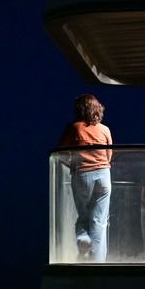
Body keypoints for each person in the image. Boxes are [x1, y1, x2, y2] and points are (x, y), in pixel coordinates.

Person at [58, 94, 113, 261]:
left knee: (83, 216)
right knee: (99, 221)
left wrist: (71, 164)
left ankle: (84, 239)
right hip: (104, 175)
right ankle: (97, 261)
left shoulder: (74, 128)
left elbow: (60, 152)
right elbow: (109, 155)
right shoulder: (105, 129)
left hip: (82, 174)